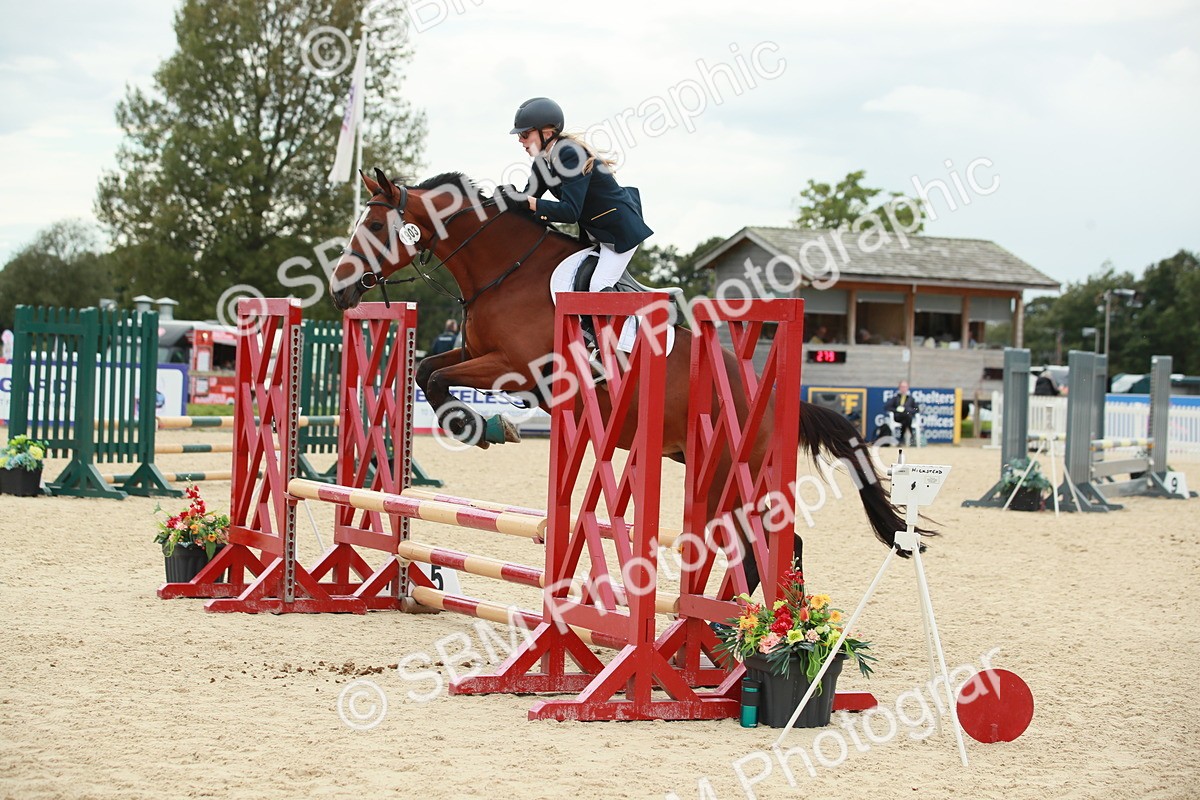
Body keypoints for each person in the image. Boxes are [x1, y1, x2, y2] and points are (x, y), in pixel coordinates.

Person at [497, 97, 652, 294]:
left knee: (597, 286)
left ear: (547, 133)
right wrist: (506, 201)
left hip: (618, 232)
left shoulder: (570, 154)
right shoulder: (542, 161)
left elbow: (569, 212)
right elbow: (529, 201)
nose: (520, 140)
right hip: (594, 232)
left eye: (525, 134)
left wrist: (526, 201)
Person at [884, 380, 920, 446]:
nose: (903, 388)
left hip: (907, 417)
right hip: (898, 417)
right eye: (902, 387)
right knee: (907, 417)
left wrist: (907, 409)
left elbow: (917, 409)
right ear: (899, 387)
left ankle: (901, 439)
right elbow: (887, 407)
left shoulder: (911, 399)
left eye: (905, 387)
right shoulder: (895, 398)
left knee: (906, 416)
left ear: (907, 388)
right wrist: (897, 409)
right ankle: (911, 435)